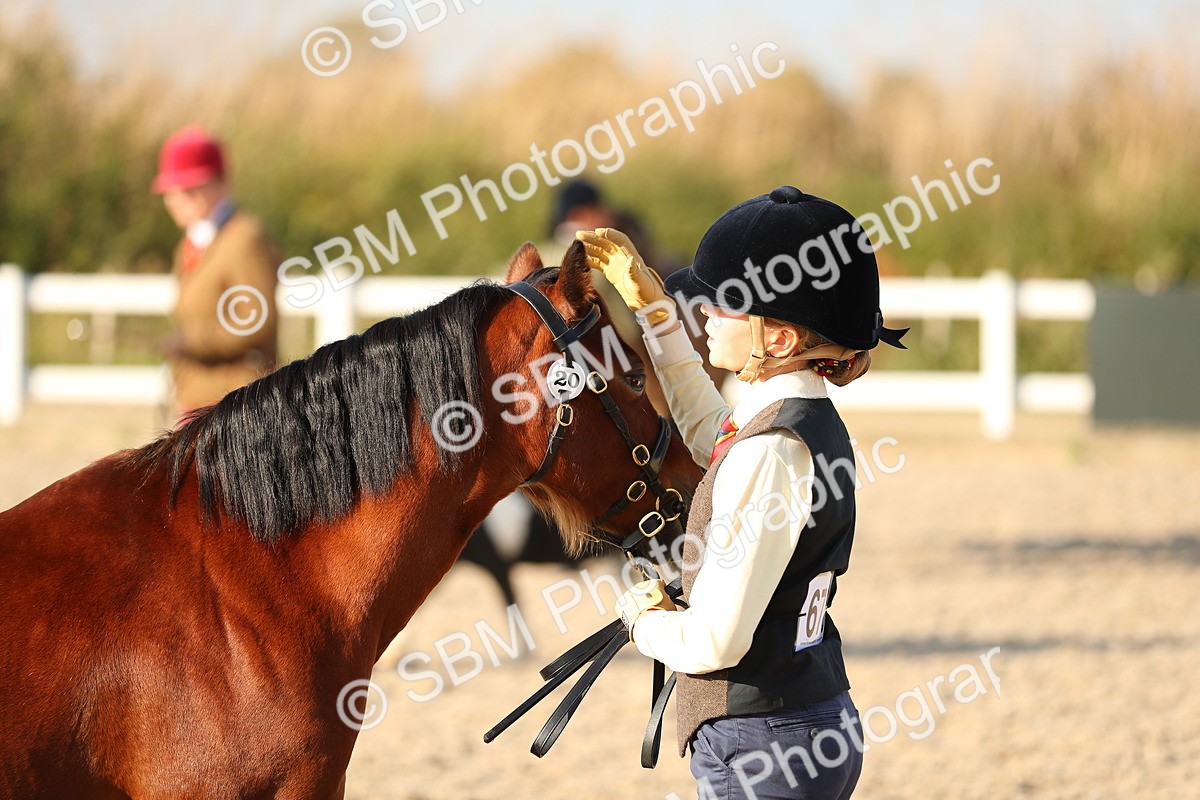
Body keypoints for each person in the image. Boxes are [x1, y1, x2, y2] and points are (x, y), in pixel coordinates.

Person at [579, 185, 907, 799]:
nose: (705, 312)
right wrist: (656, 314)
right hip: (811, 717)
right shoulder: (797, 420)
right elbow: (711, 433)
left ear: (778, 340)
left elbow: (714, 641)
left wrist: (641, 618)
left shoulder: (769, 450)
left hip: (760, 741)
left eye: (726, 305)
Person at [153, 125, 279, 421]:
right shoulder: (189, 244)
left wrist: (193, 343)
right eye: (171, 191)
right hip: (194, 398)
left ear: (220, 184)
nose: (176, 198)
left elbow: (256, 319)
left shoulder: (246, 238)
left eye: (189, 188)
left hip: (238, 404)